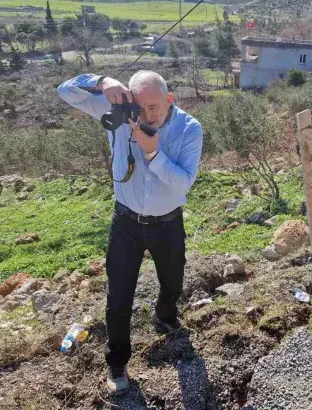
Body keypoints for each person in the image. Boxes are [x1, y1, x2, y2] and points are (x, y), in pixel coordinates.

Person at [57, 71, 203, 395]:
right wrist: (102, 82)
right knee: (119, 296)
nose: (146, 116)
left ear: (169, 100)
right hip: (126, 222)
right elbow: (65, 91)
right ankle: (117, 363)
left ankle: (165, 316)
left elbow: (184, 183)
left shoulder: (189, 128)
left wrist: (153, 153)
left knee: (173, 281)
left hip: (168, 223)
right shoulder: (121, 114)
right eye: (140, 107)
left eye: (154, 107)